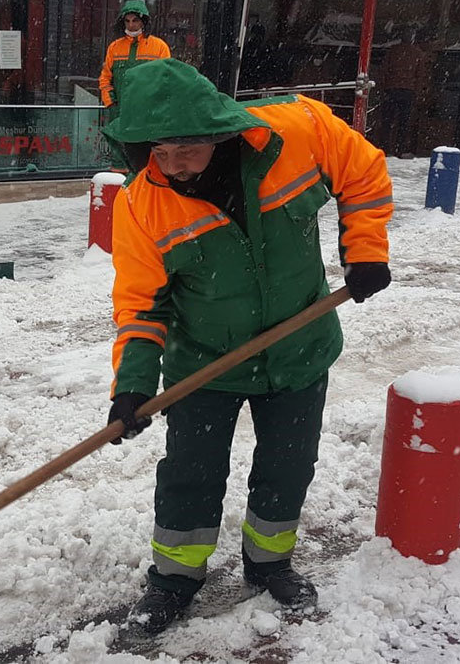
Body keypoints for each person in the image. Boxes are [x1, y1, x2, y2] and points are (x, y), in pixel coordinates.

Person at [102, 59, 394, 635]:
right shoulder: (141, 205)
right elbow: (140, 306)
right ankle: (175, 579)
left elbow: (364, 171)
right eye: (158, 151)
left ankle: (269, 562)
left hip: (300, 347)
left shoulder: (299, 133)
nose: (173, 165)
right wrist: (132, 384)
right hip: (204, 363)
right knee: (191, 471)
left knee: (287, 464)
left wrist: (366, 250)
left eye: (185, 149)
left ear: (218, 130)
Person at [98, 0, 171, 173]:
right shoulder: (114, 48)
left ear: (143, 21)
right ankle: (119, 194)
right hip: (120, 114)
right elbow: (105, 79)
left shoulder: (159, 47)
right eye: (127, 21)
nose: (131, 25)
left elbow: (167, 78)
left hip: (148, 115)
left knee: (145, 159)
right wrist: (111, 104)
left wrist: (156, 106)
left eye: (135, 20)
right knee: (119, 159)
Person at [376, 27, 430, 157]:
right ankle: (400, 149)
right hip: (408, 91)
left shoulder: (393, 51)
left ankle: (385, 148)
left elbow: (383, 70)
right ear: (412, 38)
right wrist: (418, 92)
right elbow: (421, 75)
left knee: (387, 121)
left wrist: (383, 88)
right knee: (404, 122)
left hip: (391, 89)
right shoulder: (418, 53)